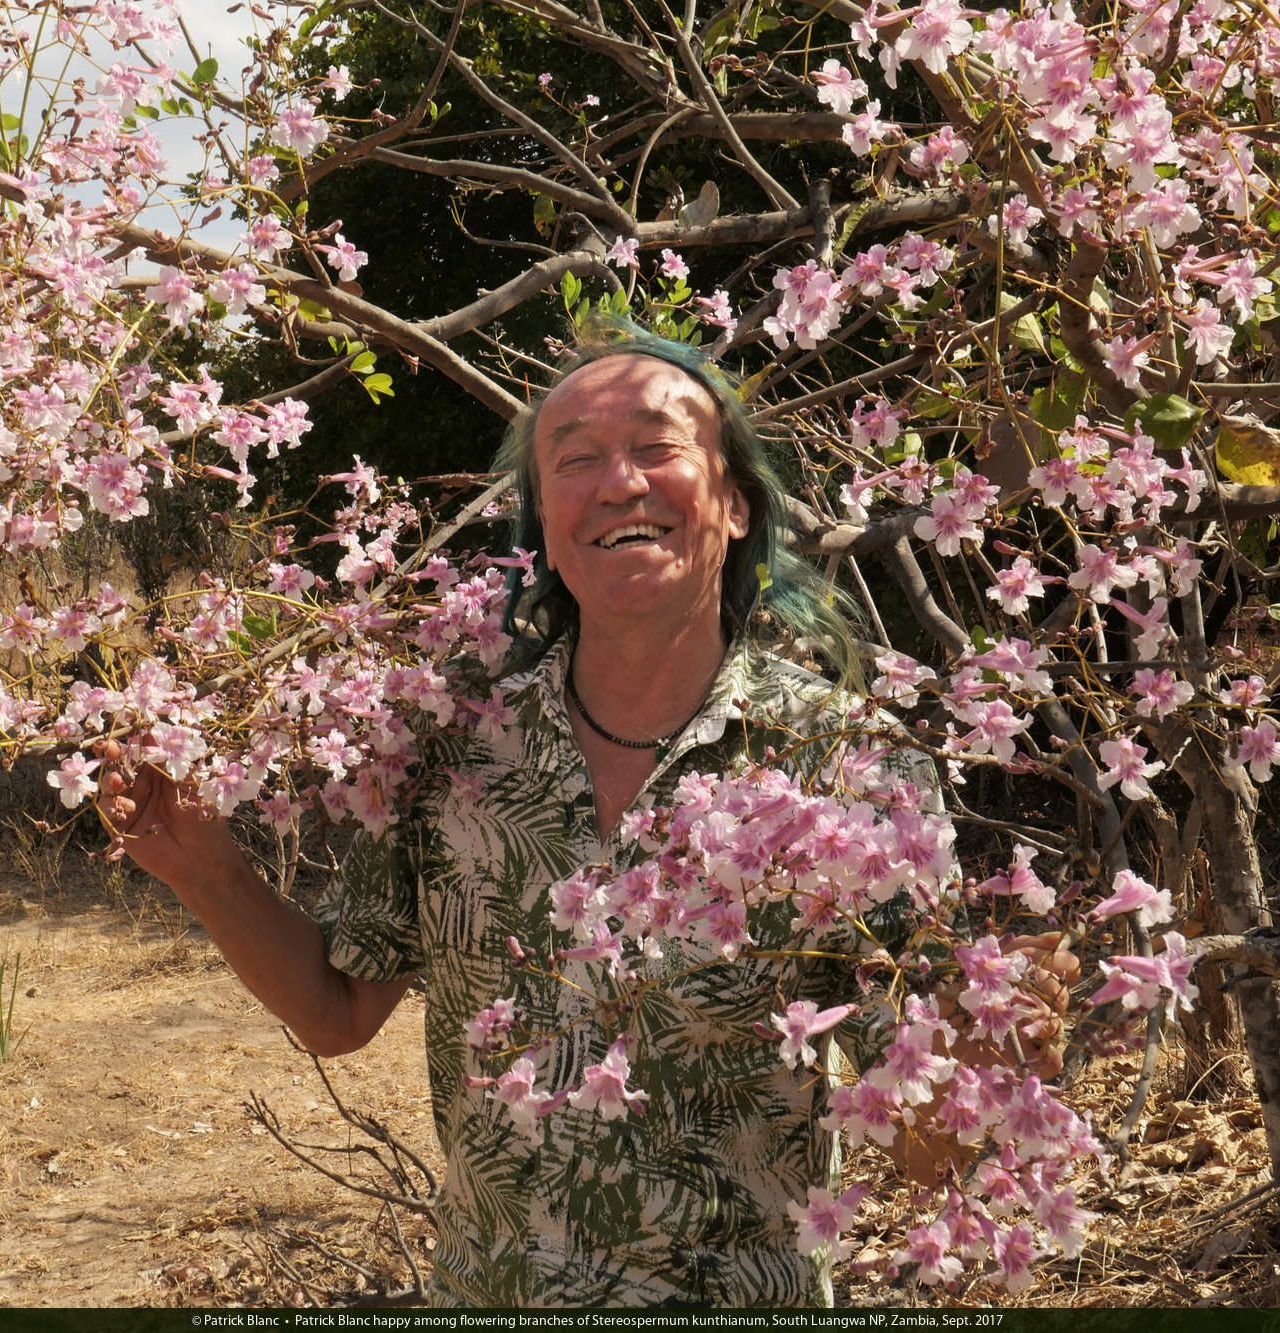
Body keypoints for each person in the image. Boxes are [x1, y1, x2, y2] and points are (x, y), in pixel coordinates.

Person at [99, 325, 1071, 1306]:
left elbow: (918, 1147)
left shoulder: (850, 763)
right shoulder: (449, 738)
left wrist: (986, 1053)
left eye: (656, 446)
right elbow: (337, 1009)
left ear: (735, 503)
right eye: (574, 459)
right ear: (545, 534)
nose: (618, 482)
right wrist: (203, 868)